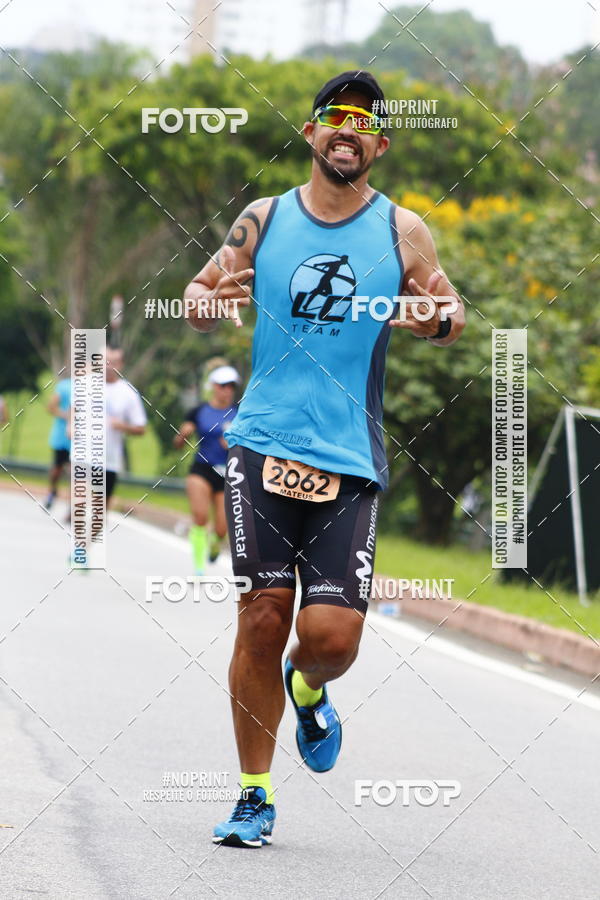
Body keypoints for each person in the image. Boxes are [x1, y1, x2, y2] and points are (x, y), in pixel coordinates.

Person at [183, 70, 465, 848]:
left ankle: (307, 692)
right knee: (263, 614)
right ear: (311, 133)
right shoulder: (263, 218)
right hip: (261, 444)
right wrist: (207, 302)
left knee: (332, 637)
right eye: (334, 115)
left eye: (365, 121)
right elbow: (200, 292)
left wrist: (432, 321)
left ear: (379, 142)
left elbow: (450, 308)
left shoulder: (403, 230)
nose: (348, 127)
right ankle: (252, 794)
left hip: (350, 456)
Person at [173, 364, 240, 574]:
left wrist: (235, 444)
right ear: (213, 386)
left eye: (231, 386)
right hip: (201, 468)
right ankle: (198, 567)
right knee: (200, 516)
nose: (226, 390)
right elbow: (177, 444)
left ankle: (215, 543)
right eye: (222, 385)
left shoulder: (241, 413)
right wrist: (183, 435)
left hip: (227, 473)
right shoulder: (199, 411)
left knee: (222, 528)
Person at [105, 348, 147, 505]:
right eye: (105, 361)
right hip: (83, 455)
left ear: (120, 365)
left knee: (99, 510)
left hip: (109, 459)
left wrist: (123, 426)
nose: (108, 366)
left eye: (113, 362)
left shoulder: (128, 392)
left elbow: (141, 428)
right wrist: (71, 425)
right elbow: (73, 408)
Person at [45, 374, 72, 509]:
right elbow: (51, 407)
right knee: (57, 468)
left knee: (76, 472)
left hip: (81, 439)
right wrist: (67, 415)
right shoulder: (65, 386)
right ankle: (52, 491)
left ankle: (73, 505)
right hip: (62, 436)